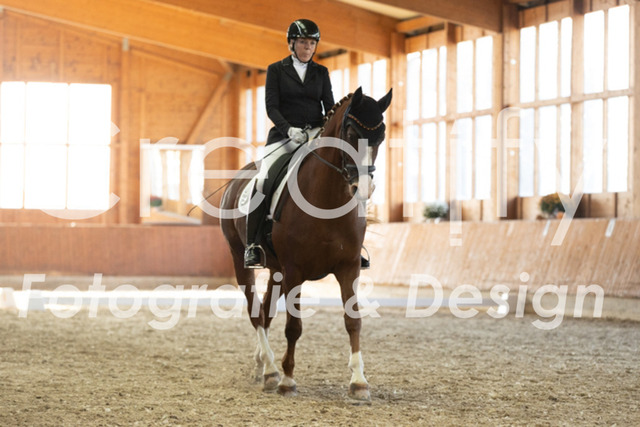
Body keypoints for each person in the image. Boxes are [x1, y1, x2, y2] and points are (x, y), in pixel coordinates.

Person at [244, 19, 369, 271]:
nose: (308, 48)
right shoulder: (276, 70)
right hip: (284, 136)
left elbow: (330, 107)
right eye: (303, 42)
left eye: (312, 43)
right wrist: (288, 129)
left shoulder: (321, 72)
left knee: (347, 176)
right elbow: (272, 107)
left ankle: (354, 244)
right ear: (292, 43)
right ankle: (253, 244)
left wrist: (323, 131)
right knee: (263, 180)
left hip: (315, 134)